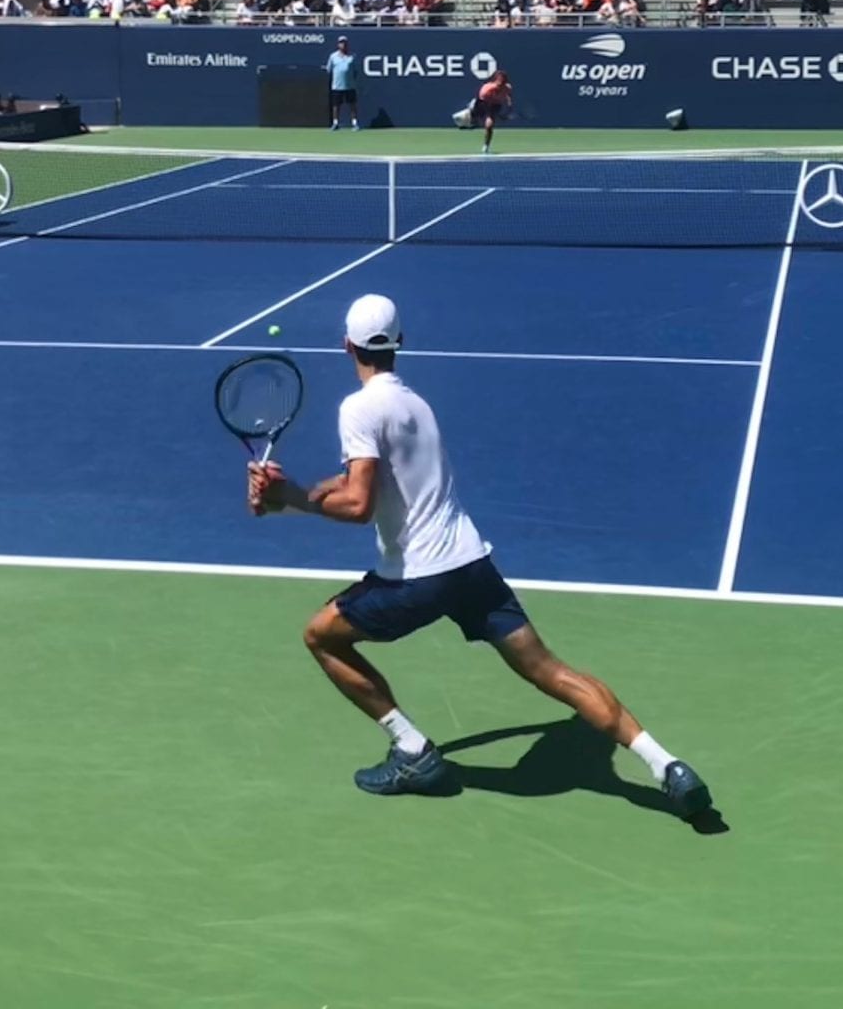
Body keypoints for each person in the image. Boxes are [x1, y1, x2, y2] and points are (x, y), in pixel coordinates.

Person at [247, 294, 711, 815]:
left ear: (346, 345)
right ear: (400, 344)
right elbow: (364, 481)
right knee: (551, 670)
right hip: (471, 566)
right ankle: (664, 763)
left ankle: (413, 750)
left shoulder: (358, 407)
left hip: (417, 578)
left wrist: (292, 504)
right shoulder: (415, 406)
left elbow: (358, 503)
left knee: (322, 637)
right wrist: (292, 496)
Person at [473, 67, 511, 155]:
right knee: (471, 121)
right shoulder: (486, 89)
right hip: (483, 103)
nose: (502, 82)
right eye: (500, 80)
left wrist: (509, 103)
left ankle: (486, 146)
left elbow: (508, 95)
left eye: (504, 80)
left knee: (489, 126)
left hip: (495, 105)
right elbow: (480, 101)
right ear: (496, 80)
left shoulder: (507, 88)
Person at [326, 36, 360, 132]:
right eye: (341, 43)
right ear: (338, 45)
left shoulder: (352, 56)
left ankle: (355, 123)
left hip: (350, 86)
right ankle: (335, 123)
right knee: (336, 106)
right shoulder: (333, 56)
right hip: (337, 86)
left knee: (352, 105)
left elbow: (355, 71)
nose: (343, 44)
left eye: (344, 43)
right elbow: (329, 70)